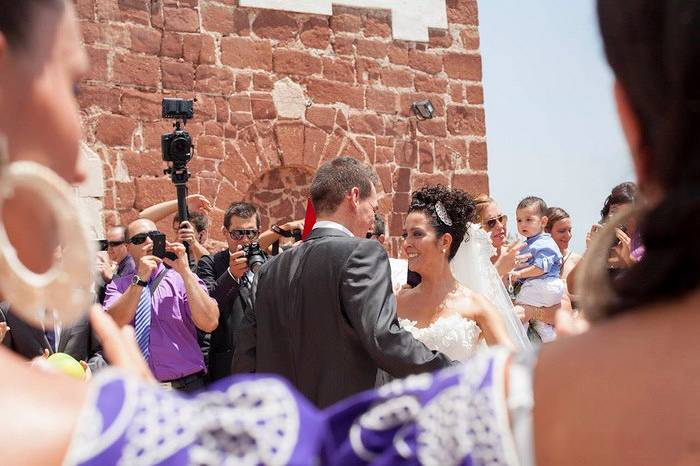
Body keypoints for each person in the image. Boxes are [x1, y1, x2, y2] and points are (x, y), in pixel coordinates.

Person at [5, 1, 700, 465]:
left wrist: (185, 434)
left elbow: (248, 361)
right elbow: (374, 343)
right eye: (72, 85)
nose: (76, 156)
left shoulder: (280, 270)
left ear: (632, 122)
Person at [232, 156, 454, 407]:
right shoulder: (363, 254)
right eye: (374, 208)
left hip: (289, 430)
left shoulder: (268, 271)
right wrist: (451, 372)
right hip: (345, 426)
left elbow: (245, 360)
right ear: (355, 197)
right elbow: (384, 338)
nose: (373, 218)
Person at [396, 186, 527, 361]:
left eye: (417, 234)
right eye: (405, 235)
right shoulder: (397, 301)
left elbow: (515, 367)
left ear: (444, 241)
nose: (407, 243)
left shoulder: (478, 307)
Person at [103, 218, 219, 392]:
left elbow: (209, 322)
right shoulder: (118, 286)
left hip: (185, 387)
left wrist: (186, 272)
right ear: (127, 247)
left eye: (154, 236)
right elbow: (112, 324)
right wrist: (139, 280)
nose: (149, 242)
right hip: (138, 389)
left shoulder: (181, 279)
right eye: (139, 239)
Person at [196, 202, 268, 383]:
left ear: (258, 232)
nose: (244, 240)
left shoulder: (272, 263)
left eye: (250, 233)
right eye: (237, 233)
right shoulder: (210, 264)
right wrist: (231, 276)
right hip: (227, 365)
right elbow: (206, 306)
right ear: (225, 233)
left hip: (267, 363)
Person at [511, 197, 563, 343]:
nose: (523, 224)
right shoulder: (532, 242)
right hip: (545, 287)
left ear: (543, 222)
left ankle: (518, 341)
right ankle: (549, 339)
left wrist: (519, 274)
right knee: (540, 323)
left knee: (519, 309)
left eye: (528, 219)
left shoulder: (542, 242)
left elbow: (540, 267)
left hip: (543, 283)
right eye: (519, 220)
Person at [139, 194, 213, 265]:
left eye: (185, 230)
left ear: (201, 235)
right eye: (176, 231)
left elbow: (208, 263)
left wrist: (193, 243)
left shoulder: (212, 260)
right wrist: (184, 201)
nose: (180, 235)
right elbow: (140, 221)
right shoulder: (168, 258)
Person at [474, 194, 527, 279]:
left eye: (500, 219)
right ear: (476, 228)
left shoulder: (519, 255)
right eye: (491, 222)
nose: (500, 225)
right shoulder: (472, 264)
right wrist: (498, 270)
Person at [95, 225, 135, 304]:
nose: (109, 248)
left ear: (127, 244)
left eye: (114, 244)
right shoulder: (124, 262)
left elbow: (124, 296)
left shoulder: (131, 264)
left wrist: (110, 277)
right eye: (107, 244)